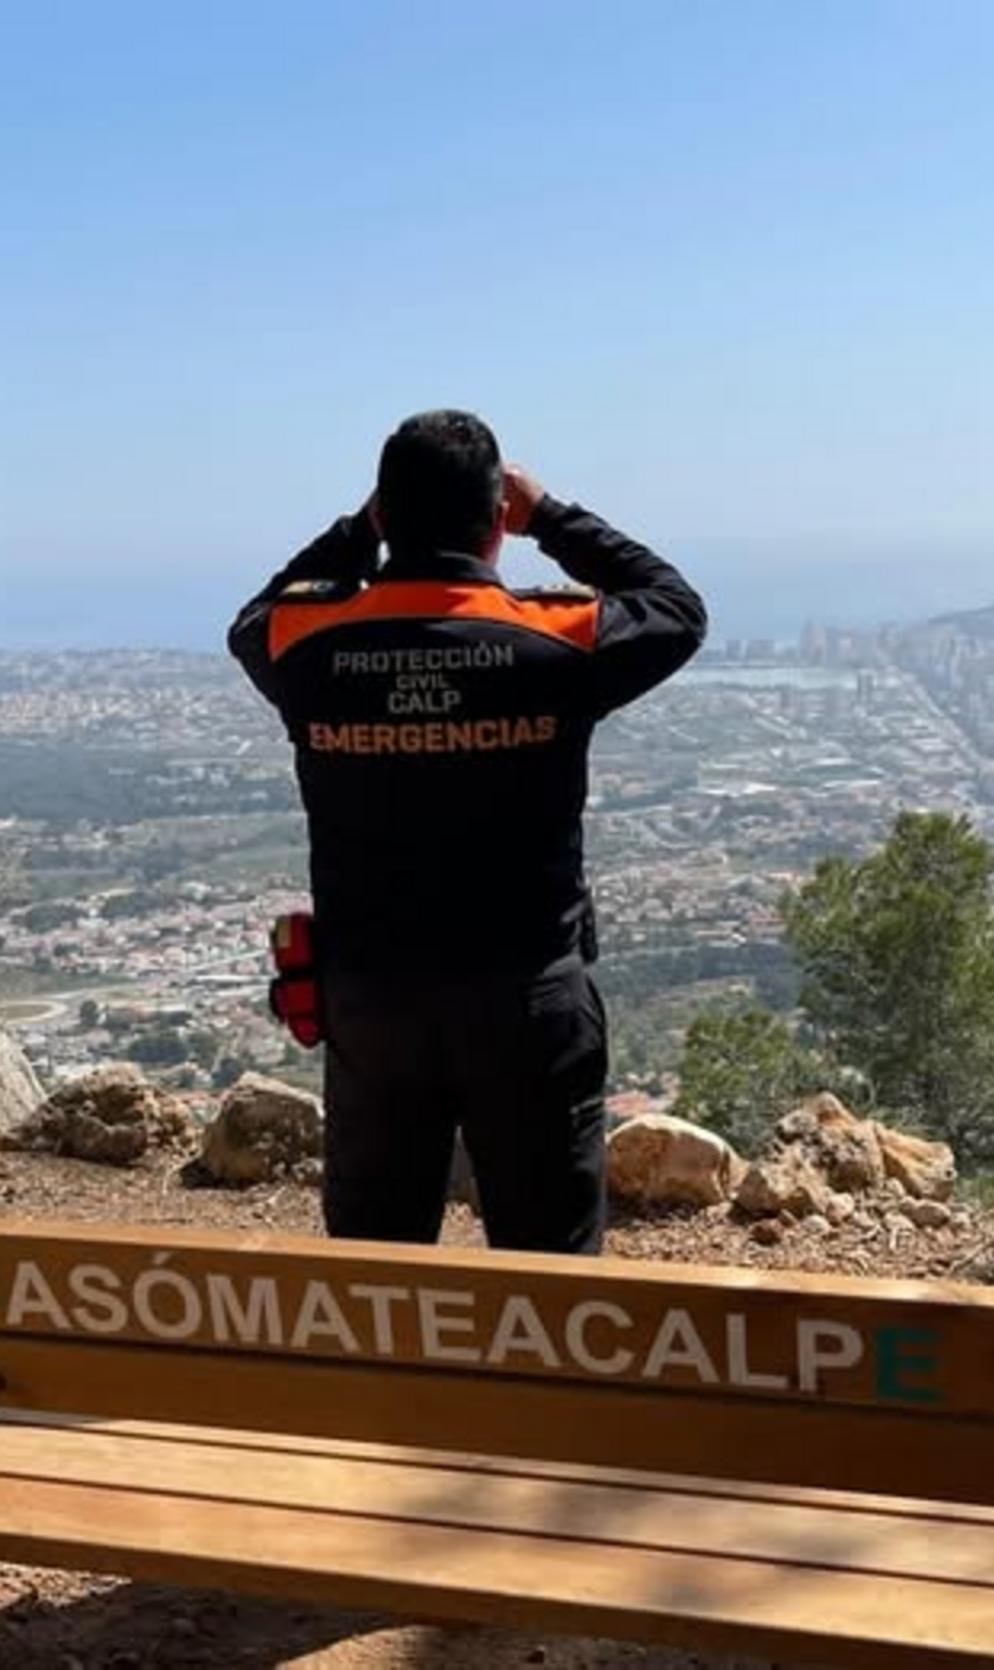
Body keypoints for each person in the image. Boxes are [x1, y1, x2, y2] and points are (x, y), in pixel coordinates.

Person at [228, 410, 706, 1254]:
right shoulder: (555, 639)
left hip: (372, 1002)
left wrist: (358, 532)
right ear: (497, 521)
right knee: (548, 1270)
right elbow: (676, 607)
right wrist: (551, 516)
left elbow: (253, 619)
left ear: (385, 515)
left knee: (376, 1266)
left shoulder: (307, 644)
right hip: (527, 1003)